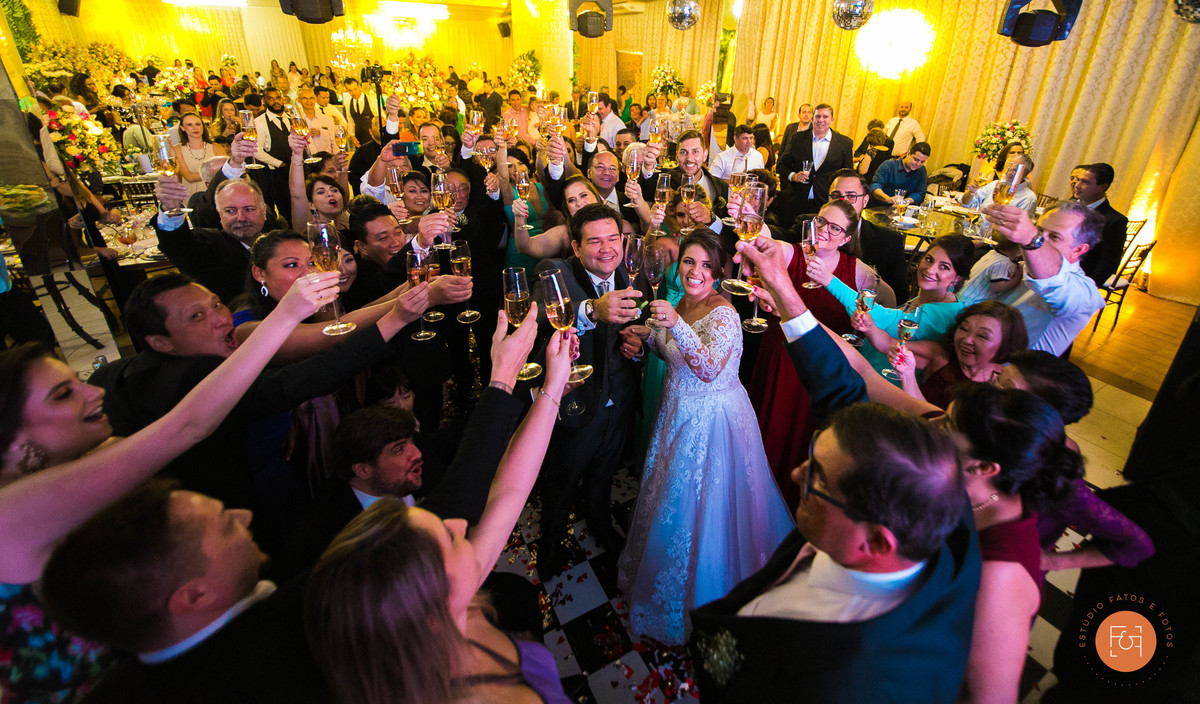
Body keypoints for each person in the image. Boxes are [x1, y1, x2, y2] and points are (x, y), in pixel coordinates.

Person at [0, 273, 340, 704]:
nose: (92, 392)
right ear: (12, 438)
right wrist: (287, 314)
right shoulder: (10, 514)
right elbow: (188, 425)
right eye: (64, 394)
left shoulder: (100, 456)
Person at [686, 238, 980, 699]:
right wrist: (785, 293)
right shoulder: (933, 486)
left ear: (878, 541)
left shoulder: (852, 678)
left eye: (819, 480)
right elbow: (850, 387)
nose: (798, 475)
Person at [305, 318, 572, 704]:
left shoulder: (455, 603)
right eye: (449, 536)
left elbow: (509, 492)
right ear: (431, 610)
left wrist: (553, 385)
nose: (460, 522)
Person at [616, 232, 792, 644]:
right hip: (676, 413)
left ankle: (708, 599)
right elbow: (671, 353)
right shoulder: (680, 302)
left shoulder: (726, 313)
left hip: (713, 422)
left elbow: (709, 368)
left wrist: (674, 325)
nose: (696, 272)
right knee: (669, 500)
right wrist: (645, 343)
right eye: (689, 262)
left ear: (718, 271)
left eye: (706, 265)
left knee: (706, 509)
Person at [748, 200, 893, 507]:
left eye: (835, 228)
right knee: (767, 436)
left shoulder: (861, 274)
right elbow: (771, 244)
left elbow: (885, 307)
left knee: (804, 439)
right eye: (821, 221)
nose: (825, 230)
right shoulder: (793, 252)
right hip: (781, 358)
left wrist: (863, 327)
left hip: (824, 369)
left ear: (846, 238)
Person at [535, 205, 644, 576]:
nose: (607, 248)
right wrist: (590, 311)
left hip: (620, 401)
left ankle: (598, 521)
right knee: (563, 481)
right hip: (578, 405)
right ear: (576, 247)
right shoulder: (557, 272)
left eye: (613, 238)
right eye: (594, 241)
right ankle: (549, 543)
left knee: (604, 473)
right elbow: (538, 316)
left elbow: (637, 330)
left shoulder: (629, 273)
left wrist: (638, 347)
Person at [818, 233, 973, 375]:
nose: (930, 269)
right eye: (929, 259)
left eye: (944, 267)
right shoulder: (926, 299)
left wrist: (828, 279)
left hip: (883, 384)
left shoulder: (941, 314)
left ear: (957, 278)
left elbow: (878, 318)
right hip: (865, 369)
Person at [982, 200, 1106, 356]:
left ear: (1078, 250)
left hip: (1009, 372)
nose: (1042, 240)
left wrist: (1031, 238)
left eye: (1054, 237)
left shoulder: (1084, 293)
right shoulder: (1026, 263)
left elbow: (1053, 282)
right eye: (1039, 231)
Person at [871, 301, 1029, 409]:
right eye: (964, 329)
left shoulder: (1005, 387)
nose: (967, 340)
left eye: (982, 336)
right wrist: (868, 325)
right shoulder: (941, 357)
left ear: (1007, 344)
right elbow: (888, 345)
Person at [154, 160, 271, 304]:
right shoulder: (209, 247)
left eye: (249, 209)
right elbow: (178, 246)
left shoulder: (275, 242)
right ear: (219, 214)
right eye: (230, 211)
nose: (241, 218)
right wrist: (171, 211)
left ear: (263, 211)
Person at [776, 103, 854, 225]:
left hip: (826, 203)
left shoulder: (844, 143)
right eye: (818, 116)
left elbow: (847, 175)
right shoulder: (798, 138)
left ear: (832, 120)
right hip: (797, 200)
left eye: (825, 117)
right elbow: (781, 165)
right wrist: (794, 176)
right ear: (813, 118)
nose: (821, 120)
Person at [1071, 163, 1129, 287]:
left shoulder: (1114, 221)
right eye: (1077, 180)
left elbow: (1108, 264)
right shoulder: (1068, 207)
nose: (1077, 185)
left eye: (1085, 182)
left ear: (1103, 186)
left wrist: (1085, 289)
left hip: (1079, 283)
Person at [959, 153, 1037, 240]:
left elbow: (1018, 232)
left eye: (1014, 170)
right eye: (1008, 168)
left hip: (996, 246)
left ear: (1026, 172)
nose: (1009, 173)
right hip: (976, 235)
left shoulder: (1028, 198)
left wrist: (983, 243)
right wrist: (970, 193)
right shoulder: (995, 185)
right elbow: (966, 204)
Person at [173, 113, 227, 197]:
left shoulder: (216, 147)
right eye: (189, 125)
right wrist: (214, 174)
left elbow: (226, 172)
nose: (195, 128)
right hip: (190, 194)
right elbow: (189, 177)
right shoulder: (177, 149)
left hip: (215, 193)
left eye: (198, 124)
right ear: (182, 128)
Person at [869, 142, 930, 207]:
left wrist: (905, 202)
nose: (918, 164)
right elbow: (875, 187)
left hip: (903, 208)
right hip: (880, 206)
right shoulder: (888, 165)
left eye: (922, 162)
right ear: (908, 153)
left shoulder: (921, 170)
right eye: (916, 159)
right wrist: (888, 199)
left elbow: (920, 193)